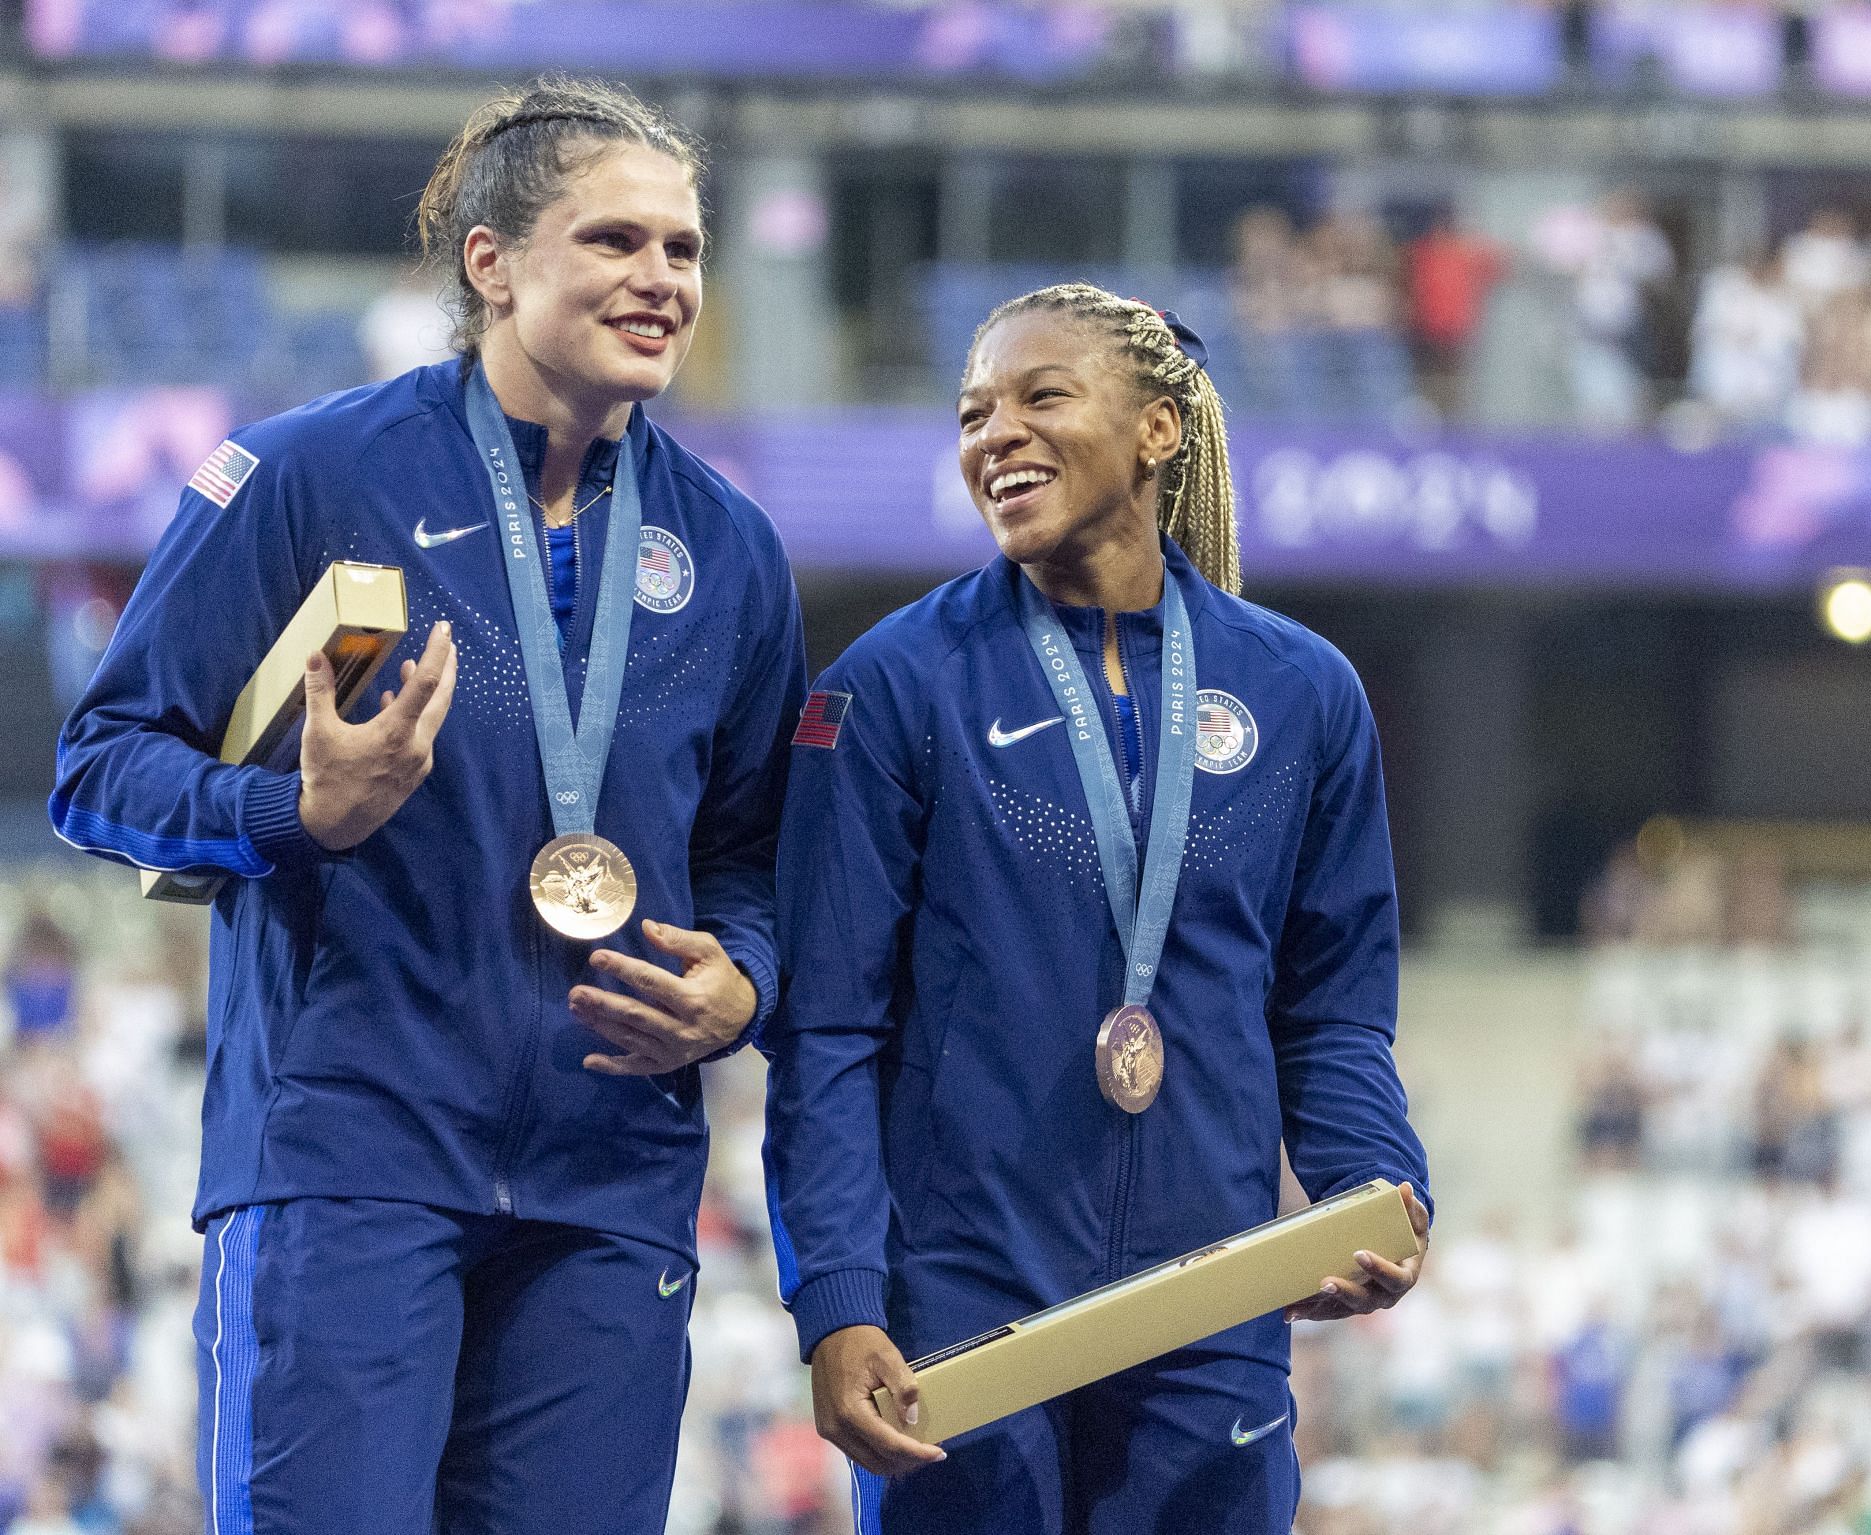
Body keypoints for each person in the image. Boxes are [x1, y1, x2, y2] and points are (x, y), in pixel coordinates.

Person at [49, 75, 806, 1535]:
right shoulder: (304, 473)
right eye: (615, 241)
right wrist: (294, 814)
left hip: (609, 1187)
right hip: (351, 1161)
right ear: (493, 260)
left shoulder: (731, 551)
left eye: (685, 248)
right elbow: (101, 764)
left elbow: (756, 858)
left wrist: (747, 980)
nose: (662, 278)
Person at [763, 282, 1431, 1533]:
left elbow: (1334, 1010)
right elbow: (827, 1032)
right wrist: (842, 1297)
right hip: (968, 1303)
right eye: (972, 414)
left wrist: (1371, 1180)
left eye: (1040, 396)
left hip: (1209, 1302)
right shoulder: (889, 689)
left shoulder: (1303, 694)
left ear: (1158, 432)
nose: (993, 435)